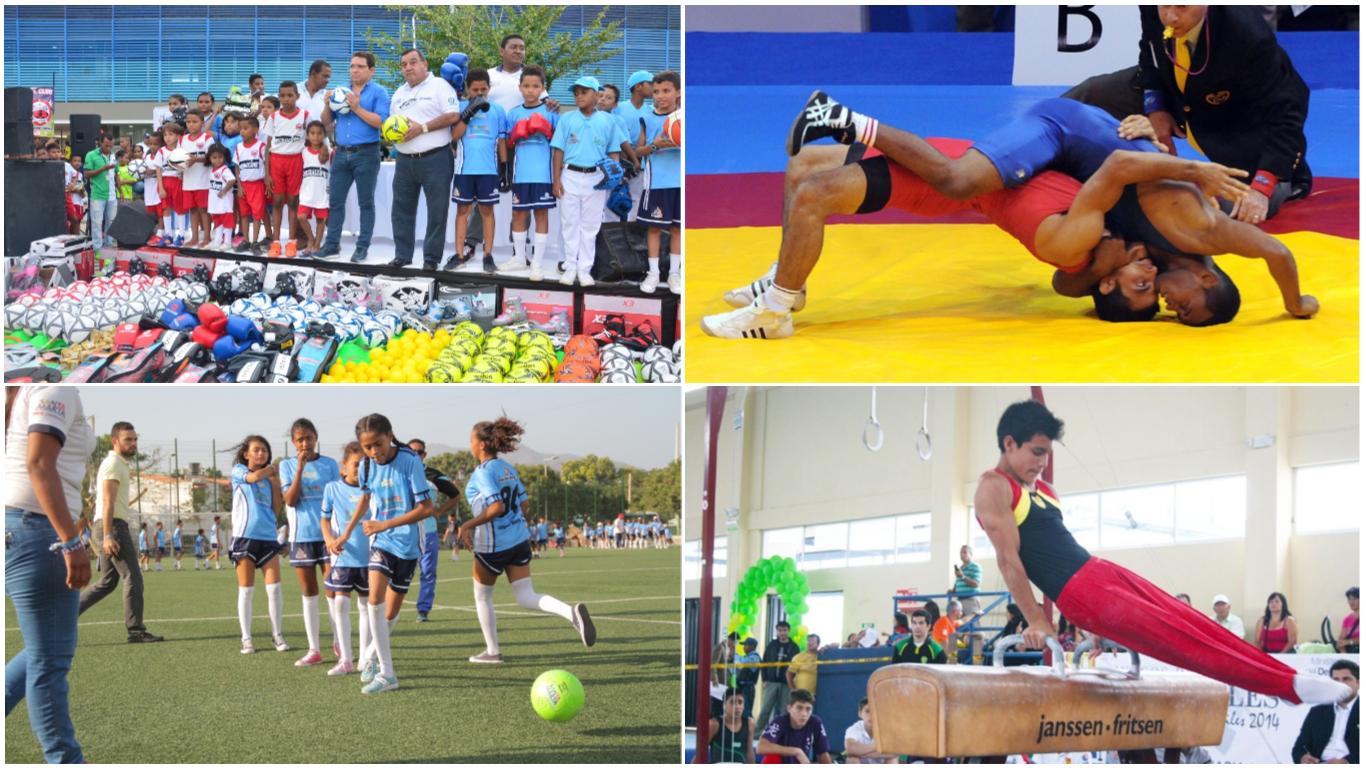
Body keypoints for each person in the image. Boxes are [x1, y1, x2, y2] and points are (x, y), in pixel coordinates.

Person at [704, 93, 1315, 338]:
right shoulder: (1196, 231)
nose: (1163, 300)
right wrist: (1296, 306)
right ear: (1207, 276)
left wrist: (1157, 146)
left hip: (1065, 151)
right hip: (1061, 130)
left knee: (803, 173)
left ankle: (783, 290)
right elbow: (1279, 253)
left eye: (1156, 305)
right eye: (1177, 302)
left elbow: (1066, 277)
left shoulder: (1102, 251)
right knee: (955, 177)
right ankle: (845, 119)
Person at [975, 399, 1347, 705]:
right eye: (1036, 453)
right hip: (1084, 592)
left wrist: (1087, 622)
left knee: (1191, 621)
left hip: (1101, 573)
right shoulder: (994, 486)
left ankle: (1287, 677)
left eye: (1046, 454)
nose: (1041, 463)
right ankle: (1287, 688)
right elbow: (1009, 561)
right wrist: (1037, 618)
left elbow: (1059, 547)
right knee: (1181, 641)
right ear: (1009, 443)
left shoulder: (1045, 490)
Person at [1062, 5, 1312, 222]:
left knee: (1230, 209)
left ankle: (1286, 178)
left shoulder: (1247, 34)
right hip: (1176, 89)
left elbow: (1286, 115)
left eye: (1183, 7)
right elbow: (1150, 53)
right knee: (1091, 94)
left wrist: (1263, 186)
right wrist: (1155, 109)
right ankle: (1040, 147)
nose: (1171, 17)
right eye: (1165, 7)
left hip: (1238, 116)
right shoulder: (1153, 7)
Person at [458, 416, 596, 664]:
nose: (469, 445)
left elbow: (496, 507)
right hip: (519, 539)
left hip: (492, 545)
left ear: (481, 445)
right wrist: (512, 523)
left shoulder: (482, 471)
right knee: (526, 596)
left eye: (471, 440)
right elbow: (525, 504)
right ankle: (570, 613)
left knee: (482, 597)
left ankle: (493, 652)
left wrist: (467, 525)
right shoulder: (508, 469)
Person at [5, 386, 94, 763]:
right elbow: (39, 463)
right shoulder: (54, 385)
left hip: (24, 526)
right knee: (50, 659)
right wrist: (71, 543)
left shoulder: (24, 391)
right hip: (37, 529)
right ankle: (66, 760)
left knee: (43, 651)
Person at [338, 414, 433, 693]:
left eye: (378, 444)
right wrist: (346, 532)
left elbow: (426, 509)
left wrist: (385, 523)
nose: (373, 452)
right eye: (367, 447)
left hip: (409, 545)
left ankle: (368, 654)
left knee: (389, 614)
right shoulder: (366, 466)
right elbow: (366, 498)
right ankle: (387, 674)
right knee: (374, 604)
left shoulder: (410, 461)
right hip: (381, 542)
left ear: (390, 435)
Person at [74, 420, 163, 645]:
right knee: (133, 576)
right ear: (115, 441)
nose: (133, 443)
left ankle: (64, 618)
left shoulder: (120, 463)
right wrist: (107, 535)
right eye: (128, 440)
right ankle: (136, 631)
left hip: (110, 525)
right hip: (112, 525)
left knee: (107, 582)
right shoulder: (113, 463)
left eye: (135, 439)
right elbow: (107, 501)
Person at [387, 48, 462, 271]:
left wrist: (423, 128)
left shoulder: (439, 85)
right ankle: (402, 255)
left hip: (435, 158)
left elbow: (453, 115)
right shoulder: (398, 93)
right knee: (400, 210)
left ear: (424, 64)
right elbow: (393, 123)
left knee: (436, 211)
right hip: (404, 160)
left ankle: (431, 258)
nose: (408, 68)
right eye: (403, 65)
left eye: (412, 62)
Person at [551, 75, 627, 287]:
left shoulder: (607, 120)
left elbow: (613, 151)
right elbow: (558, 150)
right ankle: (569, 267)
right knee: (569, 223)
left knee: (591, 225)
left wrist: (614, 176)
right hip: (570, 175)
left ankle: (585, 269)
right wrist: (556, 179)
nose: (578, 96)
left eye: (584, 92)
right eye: (576, 93)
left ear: (597, 95)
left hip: (597, 177)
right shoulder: (567, 118)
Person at [280, 418, 342, 668]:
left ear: (316, 437)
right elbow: (291, 500)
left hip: (329, 537)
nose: (305, 443)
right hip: (302, 537)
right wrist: (299, 469)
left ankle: (340, 644)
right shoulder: (285, 465)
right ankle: (314, 649)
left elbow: (339, 497)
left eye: (309, 437)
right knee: (309, 593)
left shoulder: (329, 464)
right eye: (300, 439)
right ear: (293, 442)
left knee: (333, 590)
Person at [318, 50, 390, 263]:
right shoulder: (341, 91)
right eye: (352, 66)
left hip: (367, 153)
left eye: (360, 66)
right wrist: (326, 104)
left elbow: (381, 122)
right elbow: (325, 122)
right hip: (341, 153)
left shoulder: (379, 92)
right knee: (335, 202)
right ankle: (331, 246)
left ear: (371, 70)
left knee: (366, 203)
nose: (355, 70)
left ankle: (362, 247)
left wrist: (357, 108)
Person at [229, 435, 289, 655]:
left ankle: (277, 635)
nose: (261, 453)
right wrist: (273, 469)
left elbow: (275, 509)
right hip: (244, 537)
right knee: (247, 590)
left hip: (267, 538)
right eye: (256, 450)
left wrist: (275, 484)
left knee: (274, 588)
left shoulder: (269, 478)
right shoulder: (239, 471)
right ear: (246, 454)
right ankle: (246, 638)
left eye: (264, 449)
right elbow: (253, 478)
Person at [446, 68, 508, 274]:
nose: (480, 93)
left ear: (489, 88)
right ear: (467, 89)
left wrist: (504, 167)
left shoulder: (497, 110)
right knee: (462, 211)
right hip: (464, 169)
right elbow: (454, 136)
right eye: (475, 90)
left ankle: (488, 255)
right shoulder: (460, 106)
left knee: (486, 211)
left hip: (488, 170)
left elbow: (501, 141)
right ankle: (459, 254)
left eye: (483, 89)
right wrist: (469, 112)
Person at [320, 441, 374, 677]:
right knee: (341, 603)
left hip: (369, 557)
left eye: (365, 463)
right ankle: (346, 659)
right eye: (356, 463)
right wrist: (329, 539)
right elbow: (324, 518)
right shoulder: (332, 488)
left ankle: (364, 658)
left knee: (365, 607)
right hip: (343, 556)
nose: (360, 468)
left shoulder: (372, 488)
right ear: (344, 465)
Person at [503, 65, 558, 278]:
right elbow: (508, 142)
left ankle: (536, 263)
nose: (530, 90)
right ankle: (519, 258)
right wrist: (514, 135)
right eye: (526, 86)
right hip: (521, 173)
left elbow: (559, 143)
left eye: (535, 86)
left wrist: (547, 130)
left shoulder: (551, 111)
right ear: (520, 87)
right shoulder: (514, 113)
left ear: (543, 88)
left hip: (543, 174)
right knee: (518, 213)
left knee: (541, 214)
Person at [634, 70, 682, 295]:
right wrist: (655, 145)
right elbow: (638, 151)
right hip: (656, 183)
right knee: (654, 229)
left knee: (677, 228)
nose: (660, 96)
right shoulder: (647, 119)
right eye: (656, 92)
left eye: (666, 91)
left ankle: (674, 273)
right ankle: (653, 272)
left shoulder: (683, 119)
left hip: (679, 183)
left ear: (678, 92)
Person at [406, 439, 463, 623]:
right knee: (395, 571)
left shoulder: (433, 475)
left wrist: (439, 511)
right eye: (412, 451)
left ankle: (423, 610)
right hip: (403, 531)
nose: (416, 455)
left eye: (420, 452)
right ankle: (387, 609)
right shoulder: (399, 472)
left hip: (428, 531)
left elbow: (456, 495)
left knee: (428, 572)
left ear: (425, 454)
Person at [263, 81, 312, 258]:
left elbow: (312, 138)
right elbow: (268, 146)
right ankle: (276, 242)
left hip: (296, 161)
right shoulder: (274, 117)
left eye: (290, 95)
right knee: (276, 203)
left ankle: (291, 241)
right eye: (282, 95)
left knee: (293, 202)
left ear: (297, 96)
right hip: (276, 161)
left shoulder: (306, 116)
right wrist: (267, 173)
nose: (286, 99)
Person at [1291, 660, 1359, 765]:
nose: (1341, 684)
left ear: (1358, 683)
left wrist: (1347, 762)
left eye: (1346, 679)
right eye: (1336, 680)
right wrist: (1303, 758)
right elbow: (1299, 747)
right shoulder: (1317, 712)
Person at [614, 70, 655, 222]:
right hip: (620, 164)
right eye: (650, 84)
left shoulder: (651, 111)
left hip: (642, 165)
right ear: (638, 86)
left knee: (637, 200)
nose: (653, 88)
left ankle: (633, 237)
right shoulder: (619, 108)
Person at [757, 688, 832, 764]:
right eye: (799, 708)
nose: (804, 714)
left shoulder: (815, 722)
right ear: (789, 708)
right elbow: (761, 748)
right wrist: (796, 751)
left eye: (808, 709)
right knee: (772, 758)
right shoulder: (780, 721)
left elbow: (823, 753)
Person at [232, 117, 271, 254]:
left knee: (257, 215)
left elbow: (266, 165)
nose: (242, 131)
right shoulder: (239, 147)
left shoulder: (261, 146)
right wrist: (240, 185)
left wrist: (266, 182)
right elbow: (237, 167)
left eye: (245, 128)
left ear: (255, 130)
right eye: (241, 128)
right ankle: (246, 241)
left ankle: (255, 242)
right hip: (244, 186)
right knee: (244, 214)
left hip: (257, 185)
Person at [755, 620, 802, 734]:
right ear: (777, 631)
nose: (782, 633)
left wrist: (792, 683)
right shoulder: (772, 645)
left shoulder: (794, 647)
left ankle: (782, 734)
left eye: (784, 630)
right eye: (780, 630)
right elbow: (764, 662)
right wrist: (765, 679)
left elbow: (797, 666)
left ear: (789, 631)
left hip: (786, 684)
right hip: (771, 682)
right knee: (765, 710)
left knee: (784, 711)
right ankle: (755, 735)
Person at [179, 108, 214, 248]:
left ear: (202, 123)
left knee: (204, 210)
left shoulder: (207, 138)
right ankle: (194, 238)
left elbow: (212, 157)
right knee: (192, 210)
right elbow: (179, 158)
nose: (191, 125)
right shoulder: (182, 139)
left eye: (195, 122)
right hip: (188, 182)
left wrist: (196, 160)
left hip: (203, 181)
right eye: (188, 122)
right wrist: (179, 169)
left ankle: (206, 237)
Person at [296, 121, 332, 258]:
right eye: (312, 133)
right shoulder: (303, 152)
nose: (316, 136)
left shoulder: (329, 152)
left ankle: (316, 244)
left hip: (322, 192)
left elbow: (336, 170)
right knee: (301, 216)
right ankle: (310, 238)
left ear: (324, 135)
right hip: (307, 192)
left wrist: (332, 185)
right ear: (307, 136)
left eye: (319, 133)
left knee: (320, 220)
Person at [153, 121, 188, 247]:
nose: (167, 137)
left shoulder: (182, 150)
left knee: (180, 210)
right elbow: (158, 170)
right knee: (166, 209)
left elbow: (186, 166)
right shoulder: (161, 151)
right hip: (165, 181)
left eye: (171, 134)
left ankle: (182, 235)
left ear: (178, 136)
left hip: (178, 182)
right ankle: (168, 235)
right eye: (165, 135)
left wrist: (183, 174)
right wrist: (161, 187)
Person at [82, 133, 119, 250]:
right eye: (106, 146)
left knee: (111, 222)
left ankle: (108, 246)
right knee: (97, 223)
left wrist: (121, 192)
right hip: (97, 194)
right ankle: (97, 248)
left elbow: (116, 174)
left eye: (111, 146)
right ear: (100, 143)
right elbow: (86, 174)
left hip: (112, 195)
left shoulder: (113, 155)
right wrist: (103, 169)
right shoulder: (91, 155)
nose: (109, 148)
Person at [709, 688, 756, 764]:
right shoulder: (714, 724)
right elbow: (700, 753)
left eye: (740, 702)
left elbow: (749, 752)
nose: (737, 707)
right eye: (732, 702)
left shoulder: (749, 723)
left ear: (744, 706)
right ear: (724, 706)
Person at [204, 143, 237, 251]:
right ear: (210, 158)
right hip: (214, 202)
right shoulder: (211, 170)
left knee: (227, 222)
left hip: (224, 202)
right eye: (214, 158)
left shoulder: (224, 170)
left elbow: (232, 180)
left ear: (224, 157)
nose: (217, 160)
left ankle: (227, 242)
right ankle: (217, 241)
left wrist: (224, 191)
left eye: (220, 157)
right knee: (218, 222)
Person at [845, 697, 897, 764]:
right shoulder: (854, 729)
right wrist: (879, 745)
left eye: (875, 711)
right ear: (860, 714)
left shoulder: (888, 729)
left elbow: (896, 753)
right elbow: (851, 749)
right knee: (852, 759)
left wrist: (866, 754)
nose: (871, 715)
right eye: (867, 711)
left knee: (892, 759)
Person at [712, 631, 739, 717]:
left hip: (725, 683)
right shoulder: (720, 647)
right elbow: (713, 664)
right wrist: (714, 678)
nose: (735, 644)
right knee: (717, 706)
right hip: (718, 683)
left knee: (723, 706)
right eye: (735, 642)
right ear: (729, 639)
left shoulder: (729, 649)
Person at [949, 544, 982, 614]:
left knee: (972, 623)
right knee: (960, 623)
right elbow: (958, 583)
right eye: (961, 552)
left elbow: (976, 584)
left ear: (971, 554)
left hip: (971, 599)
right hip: (959, 600)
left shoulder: (975, 567)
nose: (962, 554)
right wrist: (953, 591)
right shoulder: (960, 568)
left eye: (965, 552)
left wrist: (962, 577)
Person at [736, 636, 762, 718]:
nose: (743, 647)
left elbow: (745, 662)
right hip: (742, 687)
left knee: (746, 711)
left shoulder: (755, 657)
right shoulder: (746, 657)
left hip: (748, 688)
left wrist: (734, 655)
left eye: (745, 645)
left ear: (752, 646)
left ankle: (750, 729)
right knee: (741, 710)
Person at [1340, 588, 1360, 654]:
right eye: (1349, 599)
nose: (1351, 601)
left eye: (1354, 599)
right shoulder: (1347, 618)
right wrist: (1344, 653)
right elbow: (1341, 640)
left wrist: (1349, 642)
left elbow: (1345, 642)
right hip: (1351, 653)